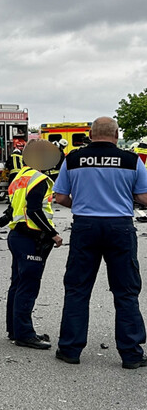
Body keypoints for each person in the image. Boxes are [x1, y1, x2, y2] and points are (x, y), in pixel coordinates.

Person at [52, 116, 147, 368]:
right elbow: (143, 196)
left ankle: (70, 349)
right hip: (120, 227)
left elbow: (60, 197)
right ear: (116, 134)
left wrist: (82, 203)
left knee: (77, 288)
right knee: (126, 291)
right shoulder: (132, 160)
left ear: (91, 134)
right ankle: (131, 354)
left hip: (85, 226)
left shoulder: (73, 159)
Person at [5, 139, 64, 349]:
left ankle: (14, 329)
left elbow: (12, 209)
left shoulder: (20, 177)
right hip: (31, 238)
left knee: (17, 284)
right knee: (28, 286)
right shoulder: (40, 179)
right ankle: (25, 334)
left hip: (16, 236)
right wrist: (53, 234)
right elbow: (34, 211)